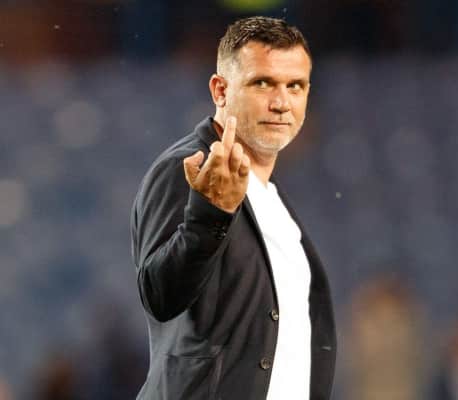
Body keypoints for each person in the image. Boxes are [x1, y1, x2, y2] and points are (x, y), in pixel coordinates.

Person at [131, 16, 336, 400]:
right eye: (263, 83)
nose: (281, 103)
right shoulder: (188, 169)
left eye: (295, 86)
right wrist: (209, 215)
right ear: (220, 90)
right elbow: (161, 295)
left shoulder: (272, 198)